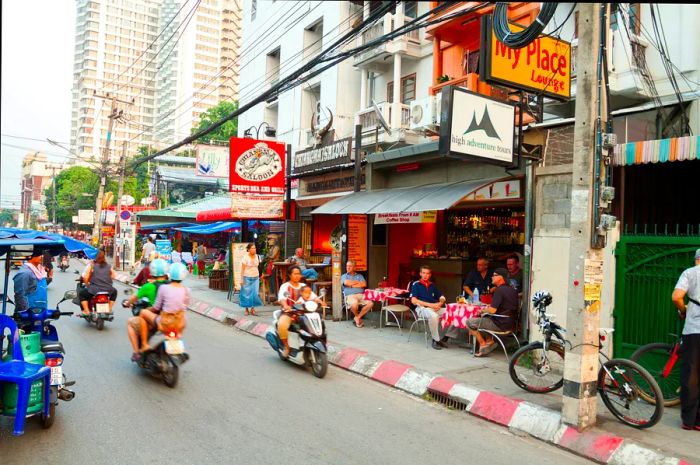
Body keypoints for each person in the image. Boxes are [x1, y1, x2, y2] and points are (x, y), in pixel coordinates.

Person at [672, 248, 700, 431]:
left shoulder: (690, 273)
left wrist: (683, 310)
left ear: (697, 259)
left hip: (694, 330)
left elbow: (676, 297)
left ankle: (689, 421)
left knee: (691, 373)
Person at [466, 268, 519, 357]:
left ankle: (483, 345)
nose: (492, 277)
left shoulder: (499, 290)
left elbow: (492, 310)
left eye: (494, 275)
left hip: (500, 324)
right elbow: (501, 306)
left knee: (469, 322)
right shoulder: (512, 289)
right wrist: (488, 308)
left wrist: (483, 310)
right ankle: (490, 341)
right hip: (511, 323)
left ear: (500, 277)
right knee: (486, 319)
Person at [139, 262, 191, 352]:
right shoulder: (187, 290)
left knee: (143, 313)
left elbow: (156, 307)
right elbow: (185, 307)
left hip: (165, 322)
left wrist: (147, 309)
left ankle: (144, 344)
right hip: (179, 324)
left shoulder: (164, 288)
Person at [125, 259, 169, 362]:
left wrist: (127, 303)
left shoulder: (148, 286)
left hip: (154, 319)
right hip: (170, 319)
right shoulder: (172, 286)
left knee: (131, 323)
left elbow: (133, 298)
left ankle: (137, 352)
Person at [410, 266, 448, 350]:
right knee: (434, 316)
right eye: (423, 273)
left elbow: (441, 296)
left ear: (430, 275)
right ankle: (435, 340)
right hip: (422, 309)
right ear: (420, 274)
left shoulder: (432, 285)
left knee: (452, 312)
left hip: (435, 308)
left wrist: (440, 303)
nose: (425, 275)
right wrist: (431, 305)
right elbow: (413, 300)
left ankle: (446, 337)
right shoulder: (416, 284)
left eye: (427, 273)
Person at [277, 266, 310, 358]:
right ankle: (287, 347)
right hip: (289, 312)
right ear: (290, 275)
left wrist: (319, 302)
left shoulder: (304, 286)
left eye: (299, 274)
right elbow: (282, 299)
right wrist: (286, 305)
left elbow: (312, 296)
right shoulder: (285, 286)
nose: (297, 276)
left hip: (304, 313)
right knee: (282, 325)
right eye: (295, 274)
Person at [79, 250, 118, 315]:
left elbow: (85, 277)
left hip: (94, 290)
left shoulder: (92, 266)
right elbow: (114, 276)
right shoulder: (108, 266)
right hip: (108, 289)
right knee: (114, 292)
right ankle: (109, 308)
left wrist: (87, 285)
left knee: (82, 294)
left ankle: (86, 311)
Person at [341, 260, 373, 328]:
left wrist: (351, 285)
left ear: (354, 267)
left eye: (350, 266)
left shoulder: (360, 276)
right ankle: (358, 318)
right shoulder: (344, 276)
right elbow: (346, 283)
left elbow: (364, 284)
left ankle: (357, 317)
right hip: (350, 296)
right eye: (347, 266)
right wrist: (358, 283)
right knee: (354, 304)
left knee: (370, 303)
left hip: (361, 295)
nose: (348, 268)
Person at [240, 242, 263, 316]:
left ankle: (253, 309)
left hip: (256, 277)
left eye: (255, 248)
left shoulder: (258, 256)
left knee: (255, 293)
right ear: (248, 250)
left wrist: (261, 274)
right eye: (252, 248)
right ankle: (246, 309)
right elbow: (242, 269)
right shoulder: (245, 257)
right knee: (246, 294)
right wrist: (241, 279)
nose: (254, 249)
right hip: (247, 277)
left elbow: (259, 267)